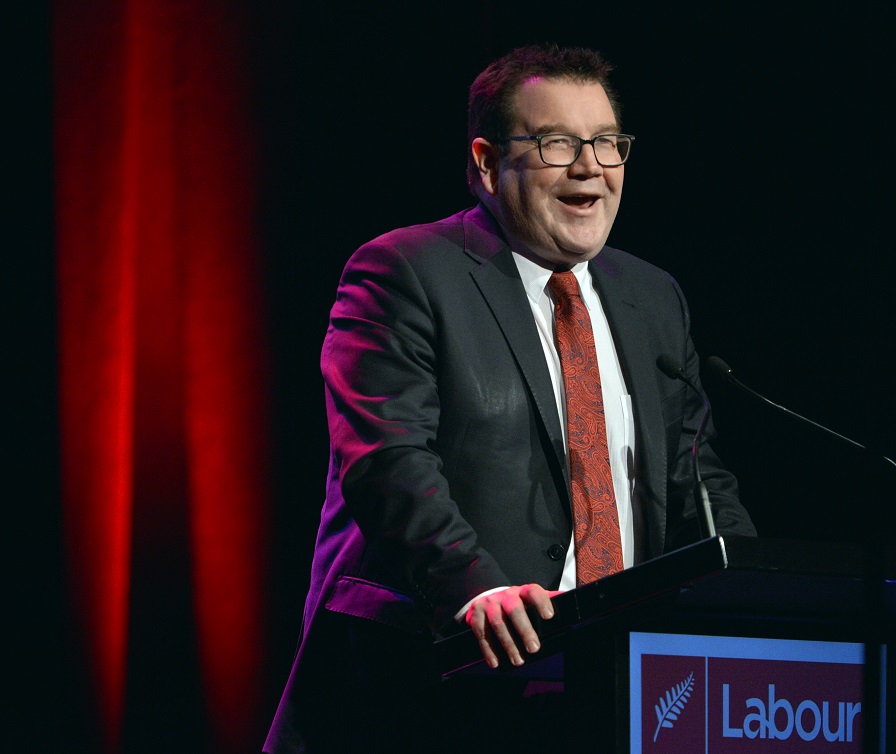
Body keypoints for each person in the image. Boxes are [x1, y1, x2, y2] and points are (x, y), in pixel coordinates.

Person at [263, 43, 756, 753]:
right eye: (557, 142)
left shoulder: (652, 297)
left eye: (608, 143)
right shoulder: (405, 271)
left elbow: (697, 478)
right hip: (436, 684)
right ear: (489, 163)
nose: (590, 166)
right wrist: (474, 588)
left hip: (611, 688)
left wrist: (749, 594)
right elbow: (388, 461)